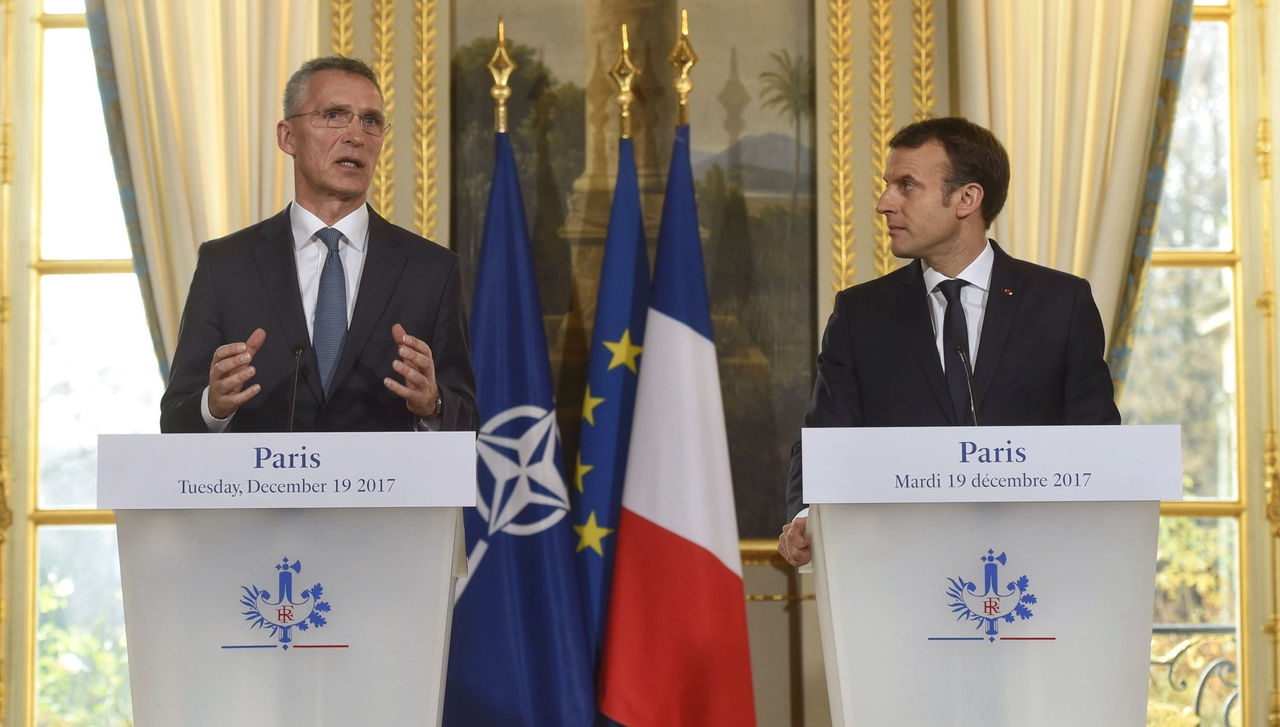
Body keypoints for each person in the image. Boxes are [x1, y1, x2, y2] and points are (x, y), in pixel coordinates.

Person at [778, 117, 1120, 567]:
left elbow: (1095, 443)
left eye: (907, 186)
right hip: (899, 572)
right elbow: (825, 437)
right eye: (888, 185)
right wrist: (807, 516)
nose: (884, 203)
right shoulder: (861, 314)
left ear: (966, 199)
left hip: (1035, 575)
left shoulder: (1061, 304)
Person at [160, 56, 476, 433]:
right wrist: (213, 406)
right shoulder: (225, 265)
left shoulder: (432, 270)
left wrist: (433, 403)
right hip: (266, 489)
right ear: (287, 137)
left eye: (371, 121)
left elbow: (468, 421)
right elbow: (175, 419)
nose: (356, 136)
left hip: (384, 492)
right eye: (333, 116)